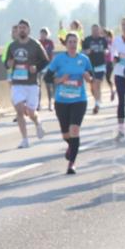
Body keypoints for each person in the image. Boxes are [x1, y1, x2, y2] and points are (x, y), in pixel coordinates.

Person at [46, 32, 92, 174]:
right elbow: (47, 77)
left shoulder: (84, 59)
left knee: (74, 130)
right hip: (62, 101)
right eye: (70, 42)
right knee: (66, 135)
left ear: (78, 43)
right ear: (65, 44)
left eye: (75, 41)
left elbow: (91, 77)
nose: (72, 44)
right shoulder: (59, 59)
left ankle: (72, 164)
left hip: (79, 100)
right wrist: (61, 80)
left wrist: (88, 77)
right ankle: (71, 146)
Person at [4, 19, 49, 148]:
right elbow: (7, 63)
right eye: (20, 28)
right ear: (17, 30)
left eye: (24, 28)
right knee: (19, 111)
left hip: (31, 83)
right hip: (17, 83)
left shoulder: (35, 44)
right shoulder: (12, 46)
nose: (22, 30)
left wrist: (36, 68)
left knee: (30, 112)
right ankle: (25, 139)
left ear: (28, 30)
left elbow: (45, 61)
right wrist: (9, 64)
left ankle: (37, 123)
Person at [82, 24, 109, 115]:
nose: (95, 32)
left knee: (97, 83)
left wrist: (106, 52)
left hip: (101, 64)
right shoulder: (87, 40)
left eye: (97, 30)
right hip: (90, 65)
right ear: (91, 31)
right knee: (92, 86)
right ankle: (97, 99)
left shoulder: (103, 39)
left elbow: (107, 49)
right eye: (93, 30)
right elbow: (83, 51)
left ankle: (97, 104)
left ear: (99, 31)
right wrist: (87, 51)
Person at [38, 28, 56, 111]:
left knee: (49, 85)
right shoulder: (38, 42)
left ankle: (50, 103)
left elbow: (51, 53)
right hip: (40, 66)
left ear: (47, 35)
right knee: (38, 85)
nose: (42, 35)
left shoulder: (50, 42)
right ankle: (38, 104)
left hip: (48, 65)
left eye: (44, 34)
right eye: (41, 34)